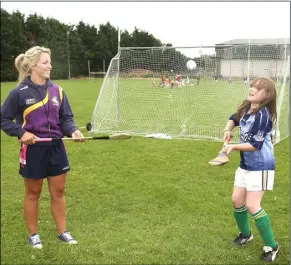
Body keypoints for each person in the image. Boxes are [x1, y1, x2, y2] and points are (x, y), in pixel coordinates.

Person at [0, 46, 84, 249]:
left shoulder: (58, 91)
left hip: (56, 147)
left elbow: (66, 118)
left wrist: (72, 130)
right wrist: (22, 133)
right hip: (33, 149)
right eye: (45, 62)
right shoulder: (19, 92)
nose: (50, 66)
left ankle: (62, 232)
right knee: (33, 192)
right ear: (32, 66)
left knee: (59, 191)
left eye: (50, 61)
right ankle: (33, 234)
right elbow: (3, 118)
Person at [222, 76, 279, 262]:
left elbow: (255, 145)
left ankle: (272, 246)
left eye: (258, 88)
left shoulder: (263, 116)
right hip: (245, 165)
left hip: (261, 166)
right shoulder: (247, 107)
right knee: (237, 201)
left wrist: (232, 147)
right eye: (252, 85)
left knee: (252, 205)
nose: (252, 89)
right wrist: (227, 130)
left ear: (267, 95)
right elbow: (234, 118)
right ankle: (246, 234)